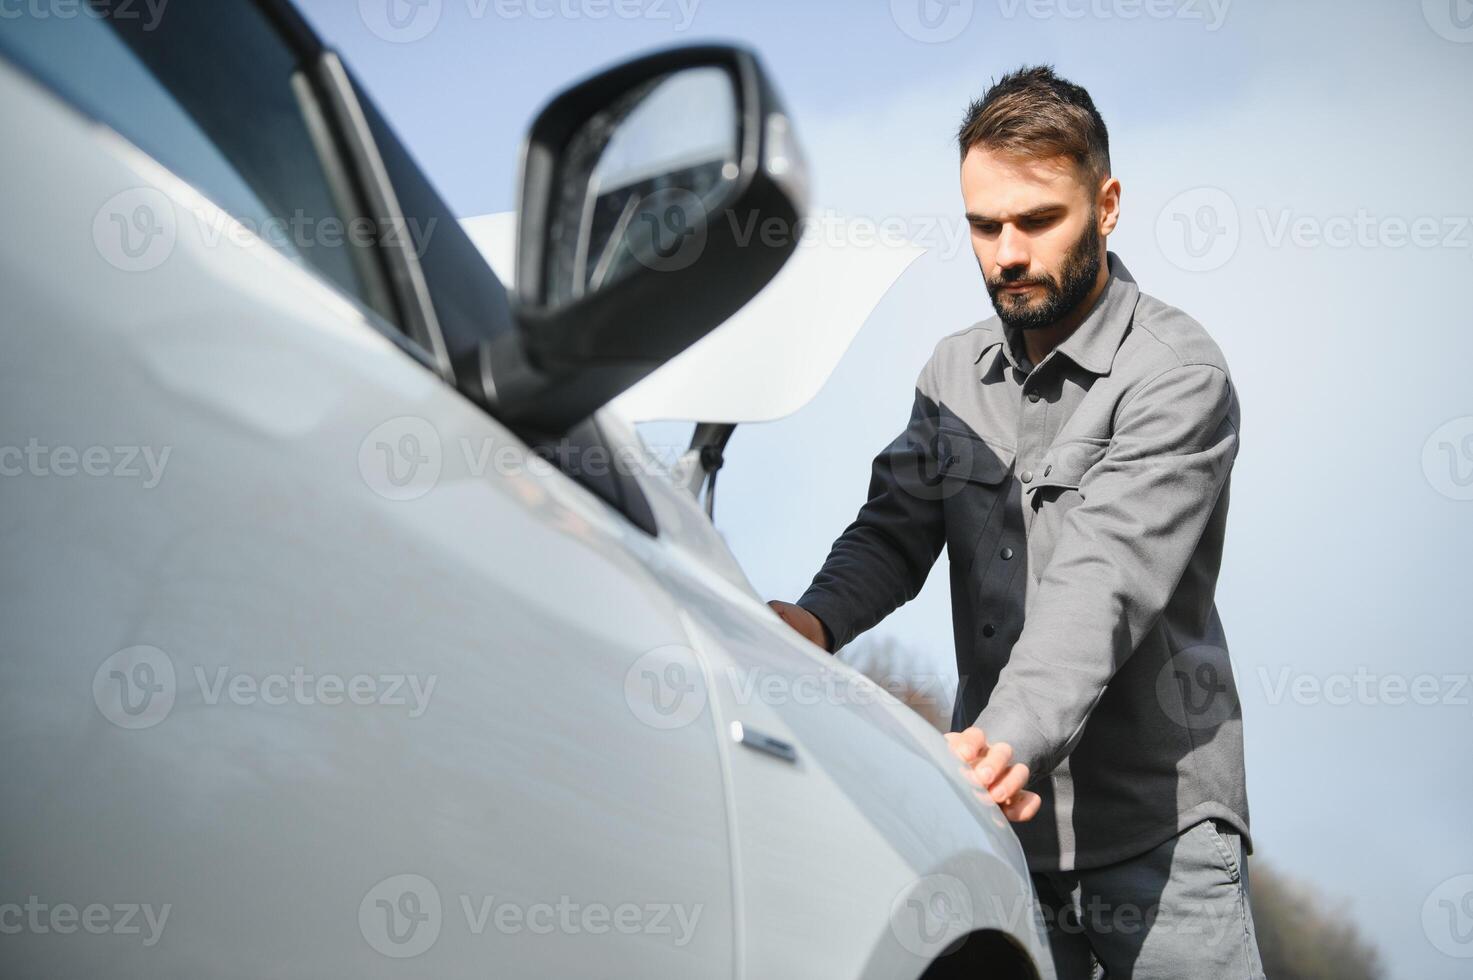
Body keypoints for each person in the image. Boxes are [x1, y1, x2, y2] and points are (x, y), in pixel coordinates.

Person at [769, 65, 1264, 978]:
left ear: (1106, 205)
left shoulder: (1176, 374)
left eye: (1037, 221)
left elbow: (1104, 578)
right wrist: (808, 624)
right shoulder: (949, 374)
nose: (1006, 252)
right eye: (982, 224)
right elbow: (893, 530)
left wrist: (1006, 739)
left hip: (1161, 836)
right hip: (1000, 834)